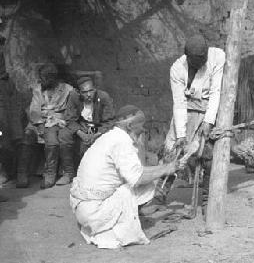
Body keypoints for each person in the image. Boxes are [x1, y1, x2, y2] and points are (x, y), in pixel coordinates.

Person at [69, 105, 176, 249]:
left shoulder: (111, 136)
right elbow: (137, 178)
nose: (143, 129)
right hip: (93, 212)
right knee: (141, 187)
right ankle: (113, 227)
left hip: (82, 208)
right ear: (131, 125)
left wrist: (166, 168)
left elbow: (137, 170)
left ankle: (113, 220)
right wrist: (167, 169)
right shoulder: (122, 142)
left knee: (138, 180)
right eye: (141, 125)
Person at [164, 34, 225, 215]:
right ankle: (160, 194)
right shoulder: (177, 69)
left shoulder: (217, 57)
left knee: (206, 154)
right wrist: (182, 134)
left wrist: (208, 121)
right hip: (187, 108)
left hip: (209, 108)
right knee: (172, 149)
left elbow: (215, 92)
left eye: (203, 60)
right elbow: (179, 102)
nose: (201, 64)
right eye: (196, 61)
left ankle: (206, 199)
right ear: (187, 58)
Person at [16, 63, 78, 189]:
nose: (41, 81)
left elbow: (72, 110)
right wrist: (39, 124)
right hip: (38, 120)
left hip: (57, 121)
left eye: (44, 78)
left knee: (53, 142)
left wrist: (58, 119)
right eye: (41, 78)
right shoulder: (38, 89)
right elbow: (34, 110)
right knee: (27, 138)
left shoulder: (68, 90)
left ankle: (51, 174)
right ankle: (22, 173)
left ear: (52, 78)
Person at [67, 76, 114, 162]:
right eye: (84, 92)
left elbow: (109, 121)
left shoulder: (103, 97)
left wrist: (97, 134)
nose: (88, 95)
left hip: (98, 127)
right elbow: (70, 118)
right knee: (70, 141)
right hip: (81, 127)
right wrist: (81, 134)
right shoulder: (74, 97)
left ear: (95, 89)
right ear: (78, 92)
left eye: (91, 90)